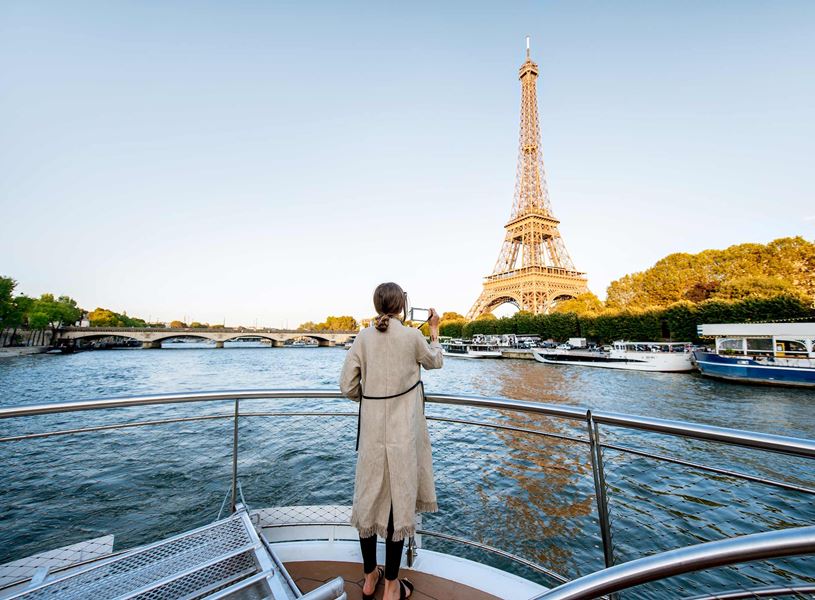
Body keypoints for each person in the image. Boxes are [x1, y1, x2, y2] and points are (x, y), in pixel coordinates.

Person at [340, 282, 443, 600]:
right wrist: (435, 330)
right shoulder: (413, 336)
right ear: (401, 307)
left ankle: (370, 576)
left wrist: (368, 399)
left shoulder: (363, 337)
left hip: (372, 434)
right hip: (403, 436)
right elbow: (435, 362)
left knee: (368, 504)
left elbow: (347, 386)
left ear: (377, 306)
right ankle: (392, 585)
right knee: (398, 507)